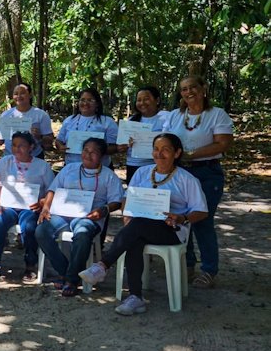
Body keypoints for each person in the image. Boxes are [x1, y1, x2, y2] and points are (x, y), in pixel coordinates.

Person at [79, 133, 208, 315]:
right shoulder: (142, 172)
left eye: (165, 150)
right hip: (140, 226)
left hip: (171, 230)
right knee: (136, 236)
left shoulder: (187, 179)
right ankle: (135, 297)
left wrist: (182, 218)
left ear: (177, 153)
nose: (159, 154)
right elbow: (127, 199)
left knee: (136, 227)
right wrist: (127, 216)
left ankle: (103, 265)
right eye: (156, 149)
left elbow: (202, 211)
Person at [162, 75, 233, 288]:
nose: (188, 92)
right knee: (180, 218)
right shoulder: (175, 115)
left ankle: (209, 270)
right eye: (184, 89)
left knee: (201, 219)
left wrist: (191, 154)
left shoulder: (216, 114)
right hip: (179, 173)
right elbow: (164, 141)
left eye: (193, 87)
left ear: (203, 89)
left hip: (207, 173)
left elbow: (223, 144)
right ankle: (188, 263)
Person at [35, 138, 123, 296]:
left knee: (82, 234)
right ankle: (66, 271)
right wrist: (46, 208)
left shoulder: (109, 176)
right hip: (62, 213)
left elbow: (116, 201)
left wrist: (103, 210)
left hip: (89, 217)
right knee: (41, 230)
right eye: (85, 150)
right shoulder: (69, 169)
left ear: (102, 156)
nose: (88, 155)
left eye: (93, 152)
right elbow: (53, 190)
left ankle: (70, 280)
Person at [0, 131, 55, 286]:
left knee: (29, 227)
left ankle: (30, 265)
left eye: (21, 145)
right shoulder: (5, 161)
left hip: (30, 207)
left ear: (31, 147)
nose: (17, 149)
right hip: (8, 205)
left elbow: (51, 190)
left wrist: (42, 202)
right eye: (14, 145)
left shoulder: (42, 166)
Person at [55, 88, 118, 167]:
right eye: (82, 100)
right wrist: (60, 147)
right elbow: (59, 141)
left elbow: (116, 147)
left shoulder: (107, 122)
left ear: (97, 103)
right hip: (72, 167)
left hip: (99, 169)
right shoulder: (69, 120)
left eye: (90, 100)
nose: (85, 103)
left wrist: (98, 150)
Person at [118, 86, 169, 182]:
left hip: (157, 165)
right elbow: (121, 147)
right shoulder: (131, 121)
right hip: (134, 165)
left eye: (146, 99)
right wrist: (123, 147)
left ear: (157, 100)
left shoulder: (166, 117)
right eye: (139, 100)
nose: (142, 103)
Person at [0, 83, 53, 158]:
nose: (19, 96)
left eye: (22, 93)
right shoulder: (6, 115)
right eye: (16, 94)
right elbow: (0, 140)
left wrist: (40, 136)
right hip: (10, 158)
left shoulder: (41, 115)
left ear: (30, 95)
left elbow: (49, 142)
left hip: (34, 158)